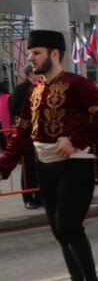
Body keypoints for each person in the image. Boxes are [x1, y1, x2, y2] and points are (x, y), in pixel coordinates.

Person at [0, 29, 98, 281]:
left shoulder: (78, 84)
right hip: (45, 167)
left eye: (36, 53)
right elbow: (23, 130)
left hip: (74, 166)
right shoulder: (34, 89)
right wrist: (4, 164)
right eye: (30, 53)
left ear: (54, 54)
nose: (31, 58)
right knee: (58, 230)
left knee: (68, 225)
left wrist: (76, 139)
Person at [9, 64, 41, 207]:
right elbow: (14, 108)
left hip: (41, 134)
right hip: (26, 133)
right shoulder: (21, 89)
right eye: (37, 72)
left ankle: (41, 196)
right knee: (28, 167)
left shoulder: (43, 87)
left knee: (41, 167)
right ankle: (28, 198)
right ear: (29, 74)